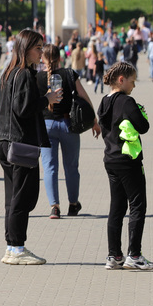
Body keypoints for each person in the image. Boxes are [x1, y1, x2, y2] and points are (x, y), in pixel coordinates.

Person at [0, 29, 59, 265]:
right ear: (25, 48)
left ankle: (12, 247)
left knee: (13, 198)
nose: (41, 52)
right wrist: (47, 100)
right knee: (23, 198)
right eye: (38, 48)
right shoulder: (22, 74)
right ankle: (17, 248)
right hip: (19, 143)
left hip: (6, 140)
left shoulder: (9, 72)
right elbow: (23, 109)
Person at [97, 61, 153, 270]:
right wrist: (140, 112)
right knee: (138, 205)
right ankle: (135, 255)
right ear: (121, 80)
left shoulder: (104, 102)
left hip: (110, 160)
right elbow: (144, 126)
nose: (134, 86)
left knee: (117, 207)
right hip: (128, 160)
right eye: (132, 81)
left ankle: (114, 255)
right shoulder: (127, 102)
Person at [36, 44, 100, 220]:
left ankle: (54, 207)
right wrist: (94, 121)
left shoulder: (37, 77)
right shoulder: (70, 74)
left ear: (43, 58)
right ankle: (73, 204)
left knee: (49, 168)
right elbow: (85, 98)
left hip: (46, 126)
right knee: (71, 167)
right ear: (59, 57)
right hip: (68, 125)